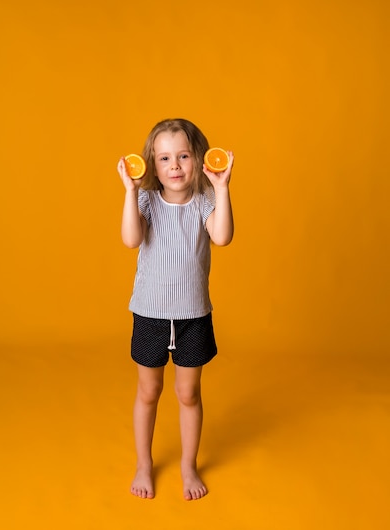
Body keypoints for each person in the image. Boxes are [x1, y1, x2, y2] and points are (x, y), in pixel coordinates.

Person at [117, 118, 234, 501]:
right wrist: (129, 193)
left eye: (183, 156)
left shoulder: (205, 201)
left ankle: (188, 465)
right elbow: (130, 239)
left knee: (188, 394)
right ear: (152, 164)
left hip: (193, 316)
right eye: (165, 158)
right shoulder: (147, 200)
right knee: (148, 391)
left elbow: (222, 236)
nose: (175, 166)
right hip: (150, 314)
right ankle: (144, 464)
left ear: (198, 158)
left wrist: (222, 188)